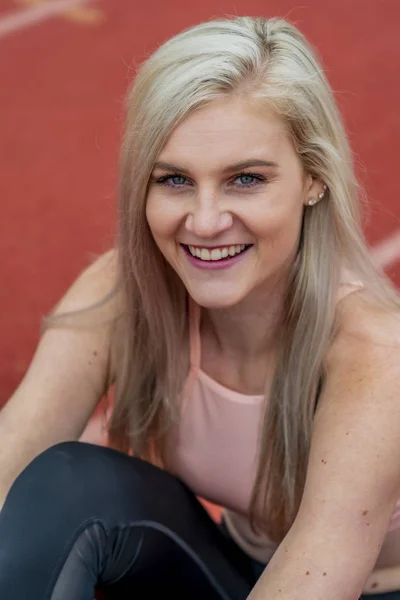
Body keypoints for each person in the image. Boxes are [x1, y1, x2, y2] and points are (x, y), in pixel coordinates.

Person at [1, 15, 400, 600]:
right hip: (235, 565)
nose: (206, 221)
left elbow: (317, 579)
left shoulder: (377, 358)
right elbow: (11, 463)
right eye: (175, 181)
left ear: (313, 178)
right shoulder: (124, 290)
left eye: (245, 179)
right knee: (70, 483)